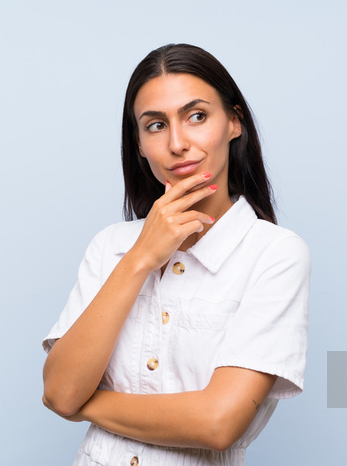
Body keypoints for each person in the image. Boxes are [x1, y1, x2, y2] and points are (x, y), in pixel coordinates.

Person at [42, 43, 310, 466]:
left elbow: (219, 424)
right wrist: (141, 258)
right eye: (155, 125)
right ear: (139, 146)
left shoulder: (275, 254)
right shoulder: (110, 246)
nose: (178, 143)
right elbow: (58, 389)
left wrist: (84, 406)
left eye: (197, 116)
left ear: (234, 123)